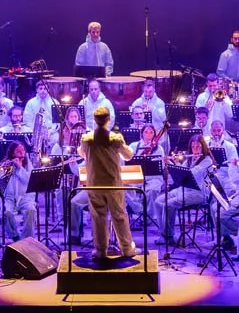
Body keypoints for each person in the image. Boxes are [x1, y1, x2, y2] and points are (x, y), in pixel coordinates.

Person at [78, 106, 138, 261]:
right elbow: (129, 155)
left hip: (95, 184)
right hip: (113, 184)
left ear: (94, 120)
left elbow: (81, 152)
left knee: (98, 217)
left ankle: (100, 251)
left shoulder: (87, 139)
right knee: (119, 215)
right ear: (109, 120)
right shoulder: (115, 138)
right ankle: (127, 249)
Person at [152, 133, 213, 247]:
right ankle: (165, 234)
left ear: (203, 147)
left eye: (198, 147)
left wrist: (189, 162)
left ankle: (168, 236)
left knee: (168, 205)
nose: (195, 149)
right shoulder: (190, 160)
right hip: (184, 189)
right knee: (159, 202)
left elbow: (192, 173)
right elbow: (180, 170)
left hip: (199, 193)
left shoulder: (207, 160)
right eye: (193, 146)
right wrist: (169, 162)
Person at [0, 140, 37, 243]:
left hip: (25, 198)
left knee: (31, 210)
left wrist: (20, 168)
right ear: (12, 153)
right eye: (18, 151)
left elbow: (30, 181)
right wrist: (5, 172)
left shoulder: (28, 164)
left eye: (23, 151)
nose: (21, 154)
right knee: (6, 212)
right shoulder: (5, 164)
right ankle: (15, 237)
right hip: (9, 198)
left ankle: (27, 239)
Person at [23, 79, 60, 153]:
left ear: (48, 90)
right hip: (35, 132)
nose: (43, 91)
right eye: (40, 89)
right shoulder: (31, 103)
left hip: (50, 133)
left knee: (56, 138)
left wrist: (50, 131)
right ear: (37, 90)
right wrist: (37, 131)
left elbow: (57, 122)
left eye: (45, 89)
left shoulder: (54, 102)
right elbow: (27, 120)